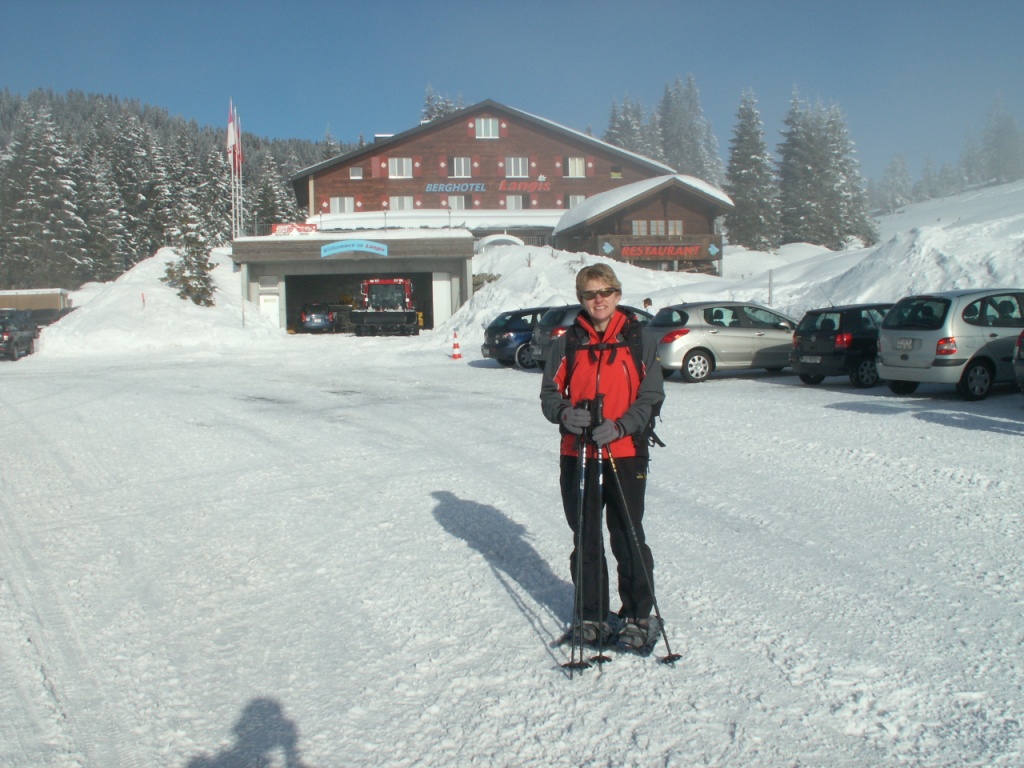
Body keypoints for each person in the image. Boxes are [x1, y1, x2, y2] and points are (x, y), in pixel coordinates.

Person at [540, 264, 665, 649]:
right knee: (586, 536)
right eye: (591, 293)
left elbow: (651, 395)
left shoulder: (639, 340)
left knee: (627, 534)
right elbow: (548, 394)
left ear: (617, 294)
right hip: (577, 453)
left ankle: (637, 615)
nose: (599, 300)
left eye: (606, 292)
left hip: (624, 452)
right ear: (581, 298)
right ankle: (591, 615)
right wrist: (564, 414)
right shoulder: (566, 343)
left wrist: (623, 425)